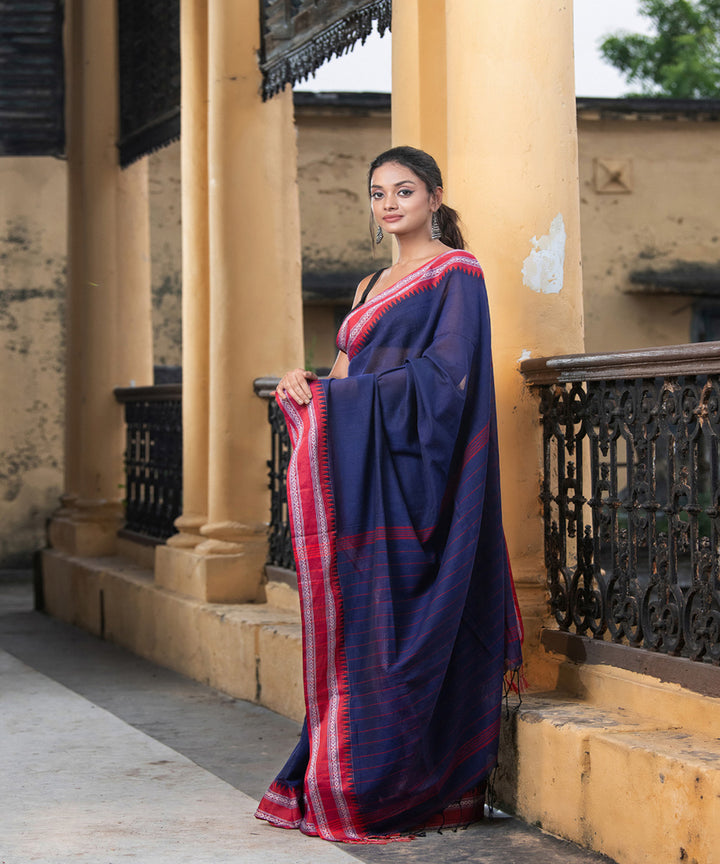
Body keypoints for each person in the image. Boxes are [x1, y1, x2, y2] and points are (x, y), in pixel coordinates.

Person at [255, 146, 523, 844]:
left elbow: (447, 379)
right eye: (378, 193)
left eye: (405, 191)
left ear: (435, 197)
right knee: (360, 629)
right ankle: (347, 773)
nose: (390, 203)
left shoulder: (455, 275)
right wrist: (306, 386)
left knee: (412, 632)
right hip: (365, 481)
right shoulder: (371, 282)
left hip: (416, 479)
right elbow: (346, 375)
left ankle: (418, 786)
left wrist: (349, 403)